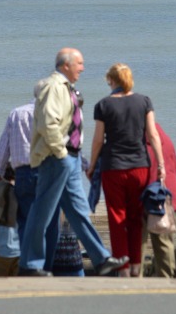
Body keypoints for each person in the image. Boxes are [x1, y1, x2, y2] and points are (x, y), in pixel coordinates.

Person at [18, 47, 128, 277]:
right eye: (79, 63)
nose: (83, 68)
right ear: (65, 65)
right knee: (42, 211)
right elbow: (48, 123)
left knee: (78, 211)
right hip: (58, 158)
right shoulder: (53, 87)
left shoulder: (67, 88)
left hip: (71, 158)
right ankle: (30, 264)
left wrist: (72, 155)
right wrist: (60, 152)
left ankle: (101, 259)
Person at [86, 63, 165, 277]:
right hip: (140, 165)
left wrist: (92, 165)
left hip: (113, 167)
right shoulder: (144, 101)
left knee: (117, 217)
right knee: (135, 216)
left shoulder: (103, 105)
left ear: (112, 81)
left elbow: (97, 141)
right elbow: (152, 135)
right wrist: (161, 164)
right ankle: (136, 266)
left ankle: (122, 268)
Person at [0, 80, 59, 269]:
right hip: (50, 172)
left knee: (27, 221)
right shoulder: (53, 114)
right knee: (51, 223)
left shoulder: (17, 113)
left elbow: (3, 147)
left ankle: (28, 265)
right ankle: (47, 266)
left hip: (24, 174)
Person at [146, 124, 176, 278]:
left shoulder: (142, 142)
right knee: (165, 243)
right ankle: (168, 277)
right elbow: (175, 166)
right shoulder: (166, 139)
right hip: (168, 196)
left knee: (140, 244)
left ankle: (137, 280)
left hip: (152, 196)